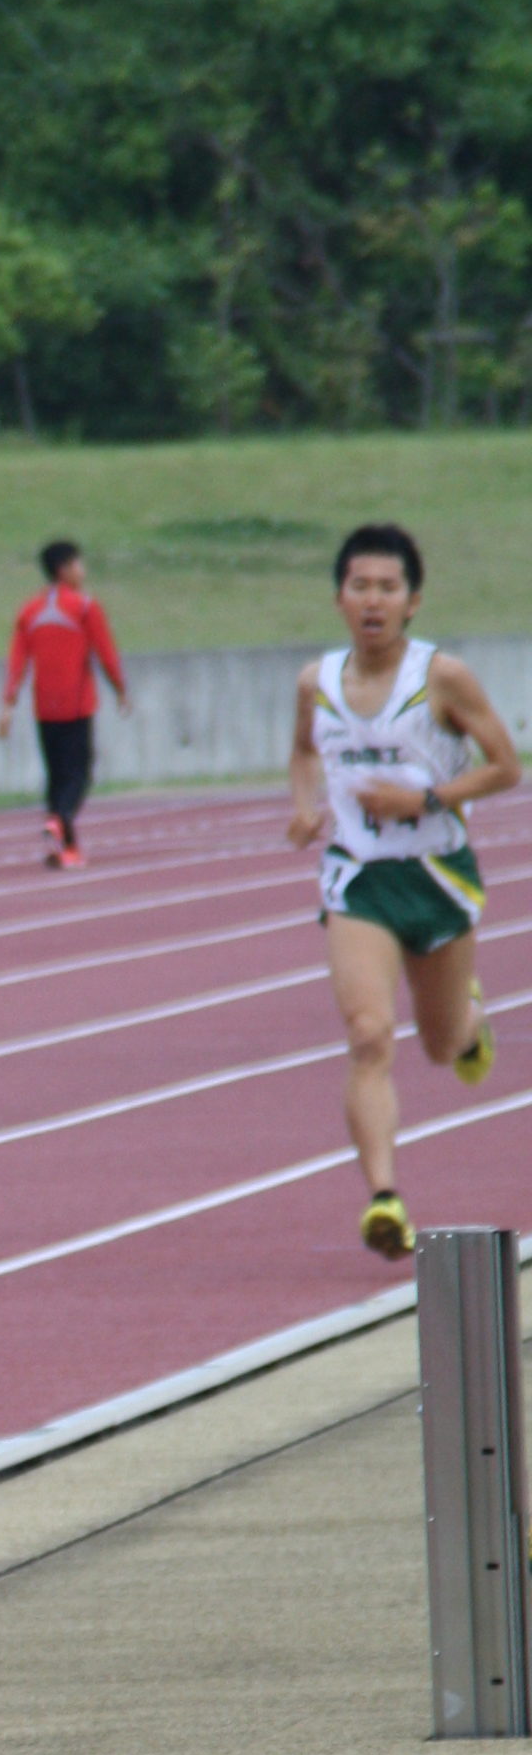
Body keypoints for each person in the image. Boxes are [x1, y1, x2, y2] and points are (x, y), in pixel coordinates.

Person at [289, 521, 519, 1261]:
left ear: (414, 600)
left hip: (437, 875)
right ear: (339, 598)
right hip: (359, 878)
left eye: (388, 587)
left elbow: (506, 766)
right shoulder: (316, 683)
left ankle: (471, 1019)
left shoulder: (441, 677)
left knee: (442, 1043)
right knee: (367, 1036)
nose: (373, 600)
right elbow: (302, 751)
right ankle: (385, 1198)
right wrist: (303, 805)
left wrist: (425, 801)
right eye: (360, 586)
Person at [0, 539, 130, 870]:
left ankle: (64, 847)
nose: (82, 571)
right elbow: (105, 653)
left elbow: (17, 662)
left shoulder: (29, 611)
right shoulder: (85, 608)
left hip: (45, 707)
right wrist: (120, 689)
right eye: (78, 565)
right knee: (80, 773)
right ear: (64, 569)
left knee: (56, 776)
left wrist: (8, 705)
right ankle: (60, 819)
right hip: (77, 705)